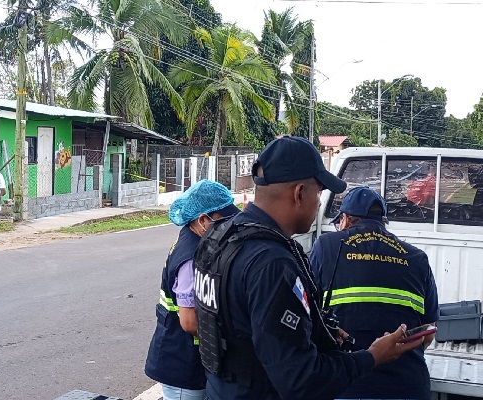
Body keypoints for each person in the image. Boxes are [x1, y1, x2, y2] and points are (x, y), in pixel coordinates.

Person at [193, 136, 424, 400]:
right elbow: (302, 381)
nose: (319, 203)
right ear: (300, 193)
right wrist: (372, 357)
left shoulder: (220, 236)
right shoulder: (272, 264)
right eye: (319, 193)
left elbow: (239, 324)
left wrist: (317, 330)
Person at [309, 186, 439, 400]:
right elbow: (429, 332)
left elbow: (307, 314)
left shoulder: (327, 245)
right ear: (383, 222)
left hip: (346, 387)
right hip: (407, 386)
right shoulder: (417, 257)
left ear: (345, 220)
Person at [145, 180, 240, 400]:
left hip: (196, 360)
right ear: (203, 220)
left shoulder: (200, 241)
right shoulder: (190, 257)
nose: (229, 225)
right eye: (223, 220)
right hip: (183, 365)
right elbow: (189, 322)